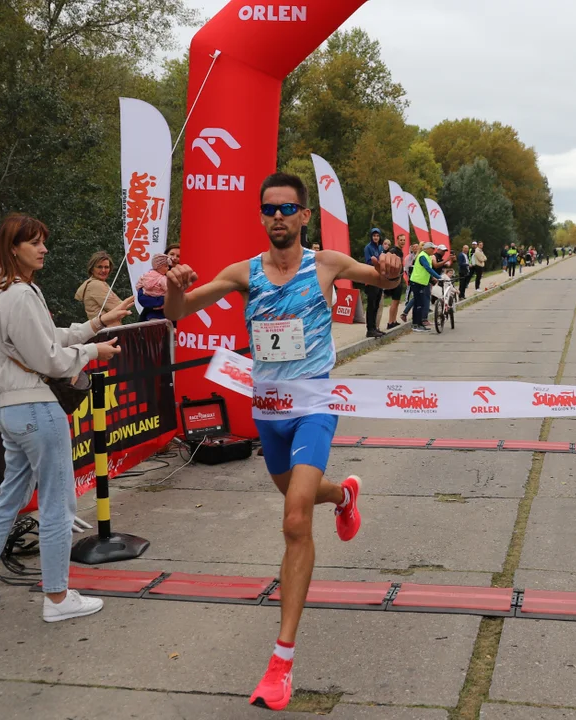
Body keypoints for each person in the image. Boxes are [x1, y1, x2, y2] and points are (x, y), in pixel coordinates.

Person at [163, 174, 401, 710]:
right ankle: (343, 495)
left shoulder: (327, 264)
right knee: (293, 492)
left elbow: (384, 284)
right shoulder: (244, 273)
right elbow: (178, 313)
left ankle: (281, 662)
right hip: (268, 413)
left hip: (315, 405)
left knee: (295, 518)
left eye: (287, 208)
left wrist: (392, 270)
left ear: (304, 216)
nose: (277, 217)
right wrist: (175, 284)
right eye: (269, 209)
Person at [0, 214, 133, 622]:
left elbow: (46, 339)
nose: (43, 249)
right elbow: (49, 358)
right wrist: (95, 351)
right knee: (58, 502)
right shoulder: (20, 295)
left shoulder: (7, 294)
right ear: (12, 249)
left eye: (43, 241)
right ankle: (57, 598)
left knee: (10, 499)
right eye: (34, 242)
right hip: (37, 409)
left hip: (12, 410)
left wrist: (96, 324)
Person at [74, 251, 125, 326]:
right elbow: (120, 310)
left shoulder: (96, 283)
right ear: (92, 269)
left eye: (106, 267)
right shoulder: (95, 285)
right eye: (99, 267)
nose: (103, 270)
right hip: (107, 331)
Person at [410, 241, 442, 332]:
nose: (434, 250)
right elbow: (428, 268)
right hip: (417, 282)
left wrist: (432, 278)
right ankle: (416, 324)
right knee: (418, 304)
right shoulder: (423, 256)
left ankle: (418, 324)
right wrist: (438, 277)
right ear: (427, 249)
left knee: (420, 304)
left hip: (421, 282)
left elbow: (427, 271)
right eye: (432, 248)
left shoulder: (427, 256)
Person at [363, 228, 386, 338]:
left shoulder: (380, 247)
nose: (376, 237)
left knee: (377, 304)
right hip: (371, 277)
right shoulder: (368, 248)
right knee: (371, 305)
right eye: (374, 236)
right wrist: (377, 263)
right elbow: (369, 262)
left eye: (377, 235)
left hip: (379, 279)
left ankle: (375, 327)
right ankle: (370, 329)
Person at [135, 254, 171, 321]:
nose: (168, 268)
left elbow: (138, 285)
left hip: (151, 311)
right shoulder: (162, 278)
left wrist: (144, 291)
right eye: (166, 266)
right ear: (159, 267)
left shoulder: (146, 275)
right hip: (162, 307)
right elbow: (169, 290)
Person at [385, 234, 406, 329]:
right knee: (394, 301)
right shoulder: (393, 251)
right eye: (401, 240)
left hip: (399, 278)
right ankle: (390, 322)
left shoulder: (400, 251)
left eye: (404, 240)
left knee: (397, 301)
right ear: (397, 240)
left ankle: (394, 320)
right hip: (394, 279)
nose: (402, 242)